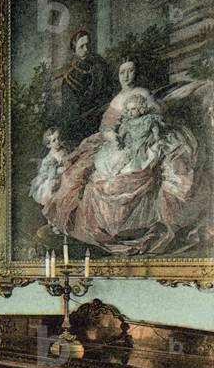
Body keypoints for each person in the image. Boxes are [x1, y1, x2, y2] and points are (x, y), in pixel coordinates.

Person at [44, 58, 212, 256]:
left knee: (143, 169)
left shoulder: (142, 93)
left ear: (135, 73)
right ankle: (111, 228)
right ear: (118, 75)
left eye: (130, 71)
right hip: (119, 141)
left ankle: (138, 228)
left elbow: (158, 116)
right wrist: (111, 135)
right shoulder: (116, 99)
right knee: (89, 169)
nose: (126, 76)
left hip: (145, 140)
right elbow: (106, 127)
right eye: (123, 72)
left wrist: (145, 130)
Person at [53, 30, 113, 145]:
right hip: (83, 122)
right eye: (81, 46)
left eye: (88, 45)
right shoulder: (69, 75)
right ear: (74, 49)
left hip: (104, 113)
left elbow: (109, 89)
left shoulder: (100, 64)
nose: (86, 49)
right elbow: (71, 111)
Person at [29, 127, 69, 207]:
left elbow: (67, 157)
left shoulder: (63, 149)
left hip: (65, 173)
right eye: (54, 140)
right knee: (55, 201)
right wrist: (58, 170)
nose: (57, 142)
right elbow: (49, 173)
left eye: (58, 138)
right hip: (52, 180)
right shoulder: (49, 159)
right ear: (48, 145)